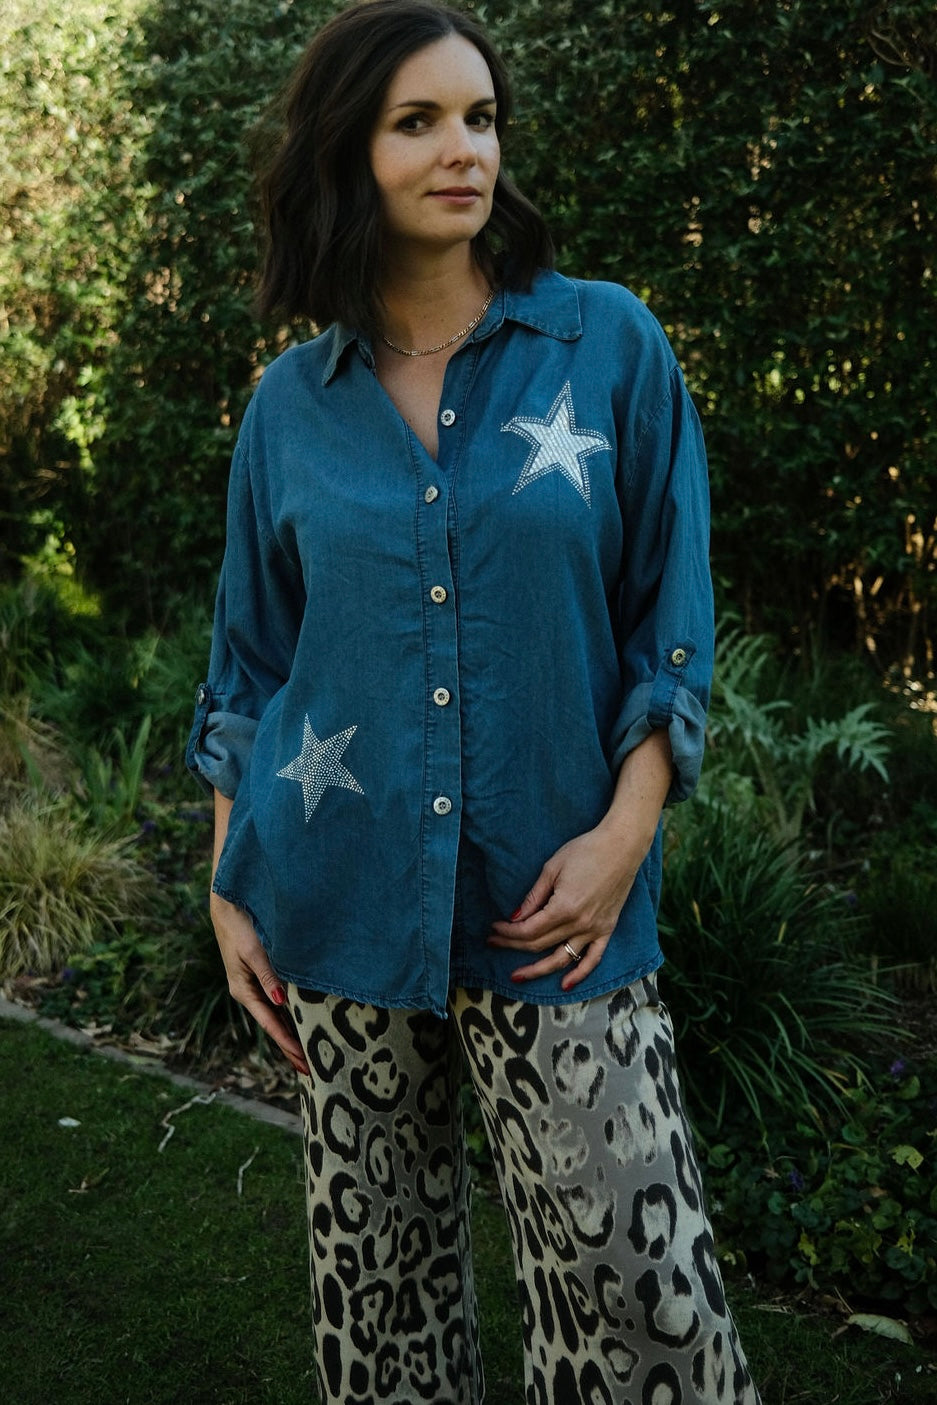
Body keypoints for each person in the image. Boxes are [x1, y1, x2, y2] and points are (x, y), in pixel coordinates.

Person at [187, 2, 761, 1401]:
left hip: (560, 908)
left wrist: (625, 834)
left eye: (482, 117)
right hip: (342, 902)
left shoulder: (606, 345)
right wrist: (228, 879)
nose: (467, 149)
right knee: (379, 1297)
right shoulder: (290, 407)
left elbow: (670, 622)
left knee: (642, 1298)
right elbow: (251, 665)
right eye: (420, 121)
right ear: (350, 152)